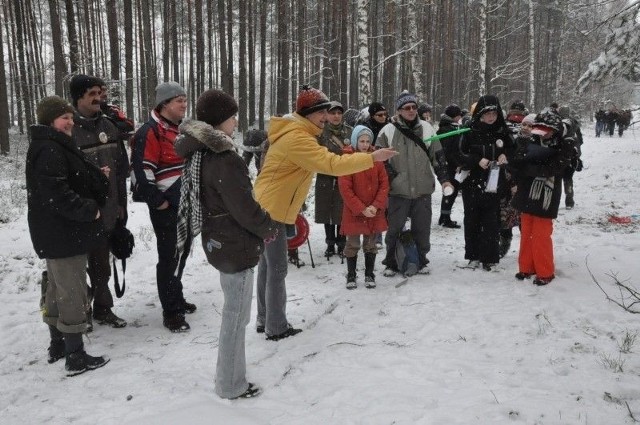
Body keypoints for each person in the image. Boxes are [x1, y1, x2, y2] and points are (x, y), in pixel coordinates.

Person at [253, 85, 397, 341]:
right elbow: (331, 164)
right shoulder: (297, 138)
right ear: (308, 113)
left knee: (267, 266)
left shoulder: (298, 132)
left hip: (269, 206)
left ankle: (265, 319)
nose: (326, 116)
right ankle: (275, 326)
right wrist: (372, 158)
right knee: (276, 269)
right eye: (321, 112)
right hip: (272, 209)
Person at [174, 89, 277, 400]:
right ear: (220, 121)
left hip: (219, 239)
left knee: (233, 312)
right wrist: (268, 227)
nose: (236, 121)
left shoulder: (201, 151)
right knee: (236, 318)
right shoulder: (223, 156)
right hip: (235, 243)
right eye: (232, 116)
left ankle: (230, 376)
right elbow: (243, 207)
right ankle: (230, 384)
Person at [27, 96, 110, 376]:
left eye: (71, 118)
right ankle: (75, 355)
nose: (70, 123)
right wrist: (89, 211)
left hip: (55, 232)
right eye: (65, 118)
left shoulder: (51, 145)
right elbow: (57, 195)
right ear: (50, 120)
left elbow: (64, 181)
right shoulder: (50, 148)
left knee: (56, 287)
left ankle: (57, 344)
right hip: (64, 232)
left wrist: (94, 176)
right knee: (72, 290)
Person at [130, 82, 196, 332]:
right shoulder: (150, 131)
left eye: (185, 99)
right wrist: (158, 201)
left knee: (182, 251)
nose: (184, 104)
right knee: (168, 256)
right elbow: (141, 169)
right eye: (179, 100)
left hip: (185, 203)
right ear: (164, 104)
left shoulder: (179, 130)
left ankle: (176, 297)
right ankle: (171, 312)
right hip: (166, 206)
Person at [69, 74, 128, 328]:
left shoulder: (109, 127)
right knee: (76, 270)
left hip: (107, 209)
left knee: (102, 264)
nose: (98, 98)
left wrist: (121, 205)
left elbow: (120, 170)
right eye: (92, 93)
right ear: (78, 97)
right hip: (79, 212)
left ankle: (103, 309)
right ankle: (78, 315)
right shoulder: (68, 129)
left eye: (100, 92)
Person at [376, 91, 453, 276]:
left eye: (413, 107)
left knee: (422, 229)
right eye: (406, 108)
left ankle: (421, 259)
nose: (411, 111)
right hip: (398, 191)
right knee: (394, 229)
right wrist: (392, 178)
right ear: (399, 110)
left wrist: (444, 180)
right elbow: (379, 161)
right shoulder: (388, 131)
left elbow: (439, 157)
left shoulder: (428, 128)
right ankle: (391, 262)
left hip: (422, 190)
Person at [510, 110, 576, 285]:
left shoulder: (564, 145)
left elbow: (555, 168)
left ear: (554, 130)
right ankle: (526, 267)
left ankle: (545, 271)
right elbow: (515, 163)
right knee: (526, 234)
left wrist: (530, 168)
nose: (542, 134)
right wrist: (523, 156)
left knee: (541, 235)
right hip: (526, 191)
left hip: (547, 194)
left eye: (546, 130)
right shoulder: (528, 140)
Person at [457, 94, 514, 271]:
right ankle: (473, 256)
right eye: (487, 114)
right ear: (480, 114)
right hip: (472, 182)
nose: (491, 118)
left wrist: (505, 155)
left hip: (494, 183)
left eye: (494, 114)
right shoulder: (469, 131)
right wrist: (476, 160)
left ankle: (490, 257)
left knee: (492, 221)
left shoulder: (502, 131)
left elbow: (514, 150)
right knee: (472, 219)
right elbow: (459, 154)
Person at [338, 125, 389, 289]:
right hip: (354, 211)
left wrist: (375, 206)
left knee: (370, 244)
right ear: (355, 141)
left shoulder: (377, 160)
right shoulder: (347, 160)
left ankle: (369, 273)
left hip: (374, 210)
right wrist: (361, 208)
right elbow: (346, 189)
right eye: (362, 141)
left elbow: (384, 185)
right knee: (352, 244)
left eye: (368, 141)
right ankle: (351, 274)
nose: (365, 144)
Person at [315, 101, 352, 258]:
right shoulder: (320, 133)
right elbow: (315, 154)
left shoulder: (349, 132)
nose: (336, 116)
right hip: (325, 176)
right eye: (332, 113)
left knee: (342, 210)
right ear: (327, 115)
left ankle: (342, 242)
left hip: (345, 176)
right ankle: (330, 243)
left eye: (339, 113)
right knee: (326, 209)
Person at [436, 104, 464, 229]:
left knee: (450, 191)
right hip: (449, 166)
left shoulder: (448, 128)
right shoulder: (448, 130)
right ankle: (445, 218)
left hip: (450, 164)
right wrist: (457, 164)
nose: (460, 118)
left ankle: (444, 216)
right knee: (450, 191)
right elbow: (448, 151)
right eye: (458, 116)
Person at [557, 105, 584, 209]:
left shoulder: (557, 122)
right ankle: (569, 201)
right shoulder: (574, 122)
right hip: (572, 154)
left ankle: (555, 201)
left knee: (557, 179)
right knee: (568, 178)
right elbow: (580, 139)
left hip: (559, 154)